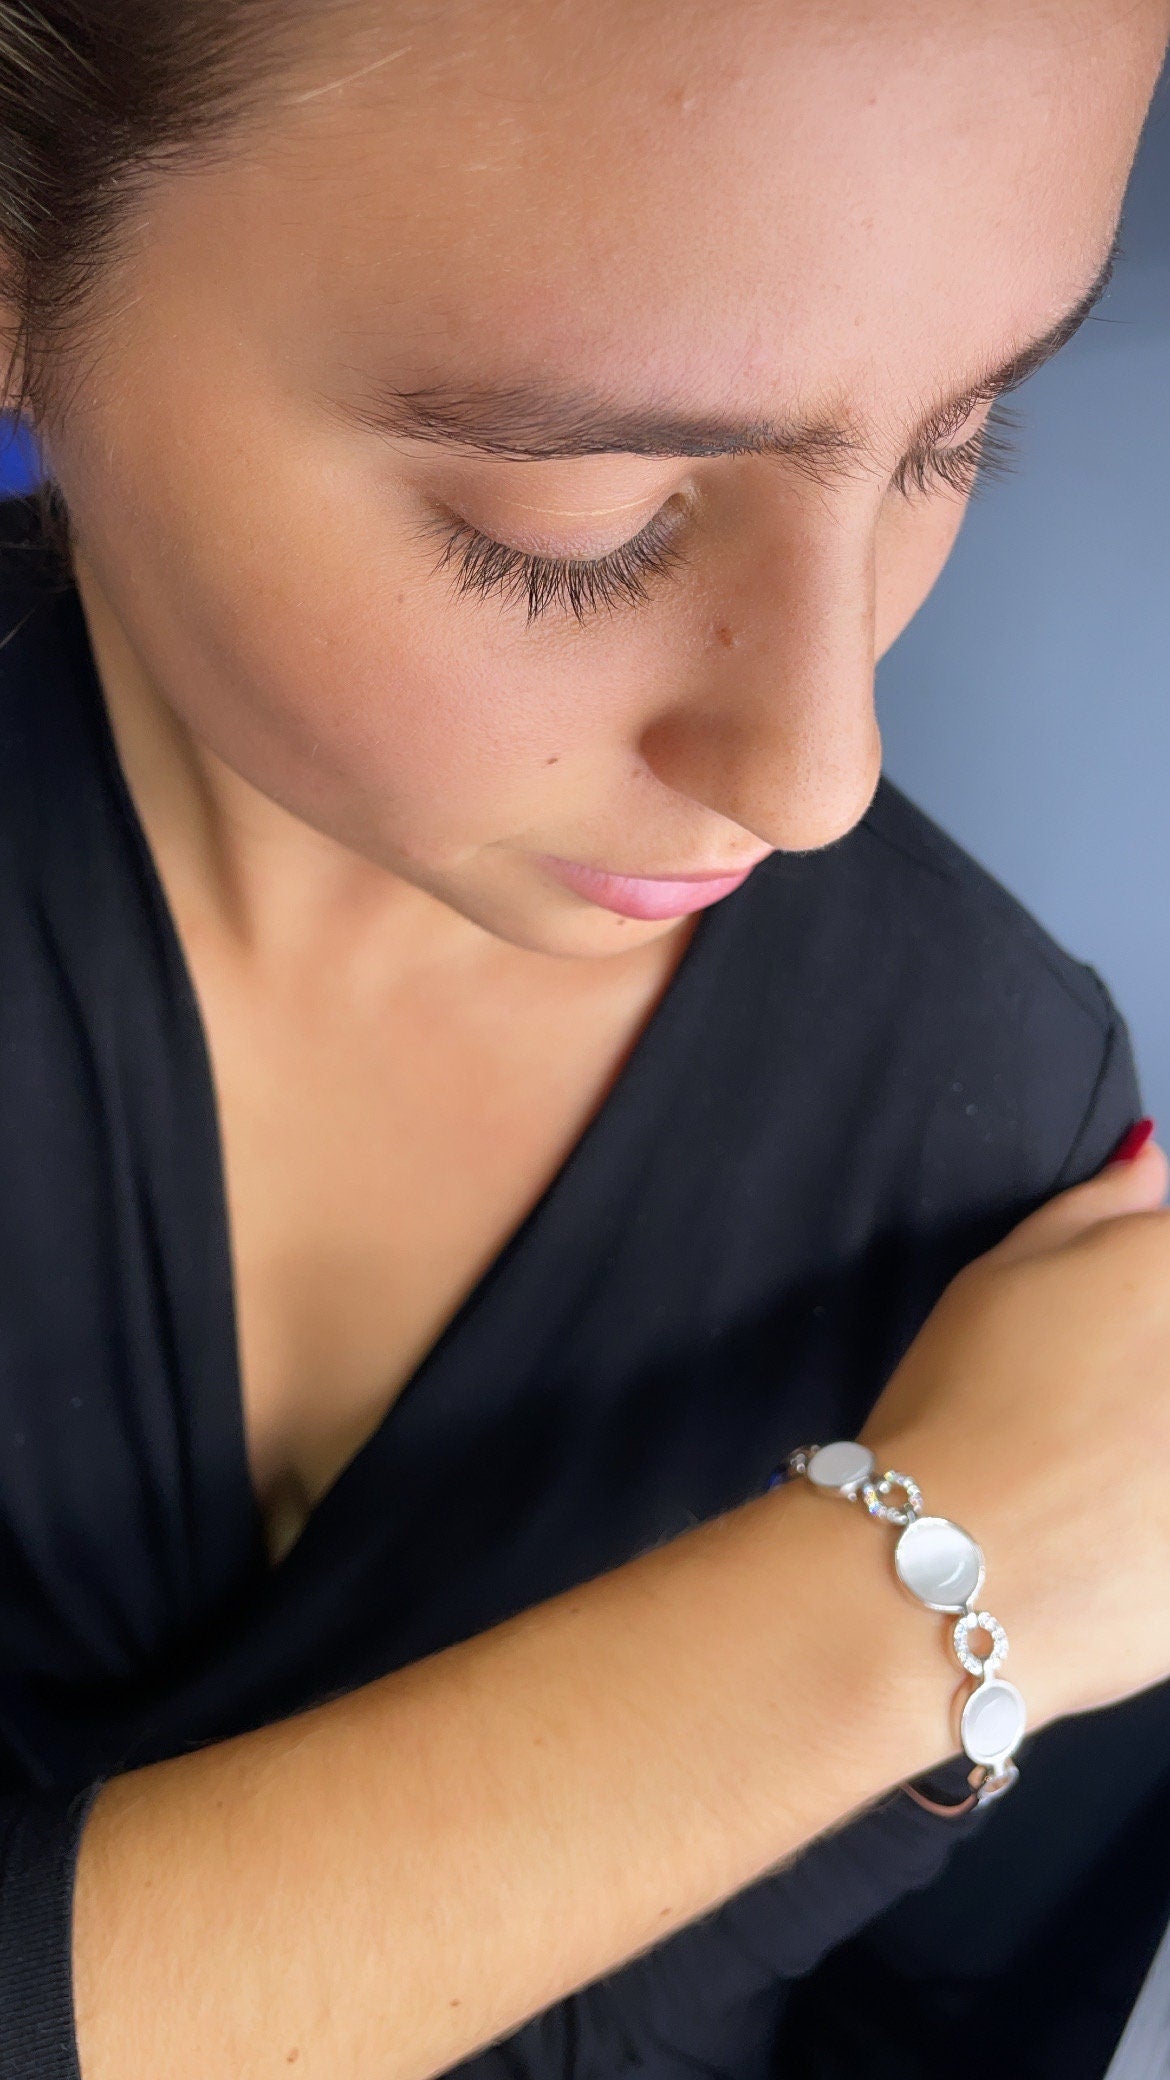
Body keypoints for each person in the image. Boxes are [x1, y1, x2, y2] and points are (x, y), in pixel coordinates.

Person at [0, 1, 1168, 2075]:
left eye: (958, 438)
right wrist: (925, 1594)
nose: (819, 771)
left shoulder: (1001, 1133)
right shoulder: (1074, 1453)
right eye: (584, 522)